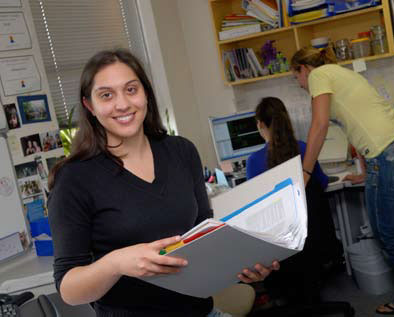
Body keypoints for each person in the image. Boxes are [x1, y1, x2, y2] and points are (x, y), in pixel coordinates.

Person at [47, 49, 279, 317]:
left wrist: (241, 265)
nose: (122, 104)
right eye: (106, 95)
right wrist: (116, 263)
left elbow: (204, 237)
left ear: (146, 94)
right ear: (90, 106)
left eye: (131, 89)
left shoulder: (181, 152)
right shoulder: (74, 178)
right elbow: (69, 290)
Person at [291, 46, 394, 316]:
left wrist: (305, 172)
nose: (300, 85)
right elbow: (358, 124)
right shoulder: (340, 74)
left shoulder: (319, 75)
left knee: (391, 236)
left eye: (296, 78)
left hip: (388, 154)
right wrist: (366, 171)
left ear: (303, 69)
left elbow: (320, 124)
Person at [246, 97, 342, 307]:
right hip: (315, 243)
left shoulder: (254, 162)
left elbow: (254, 211)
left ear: (261, 125)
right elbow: (323, 182)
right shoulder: (304, 148)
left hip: (281, 255)